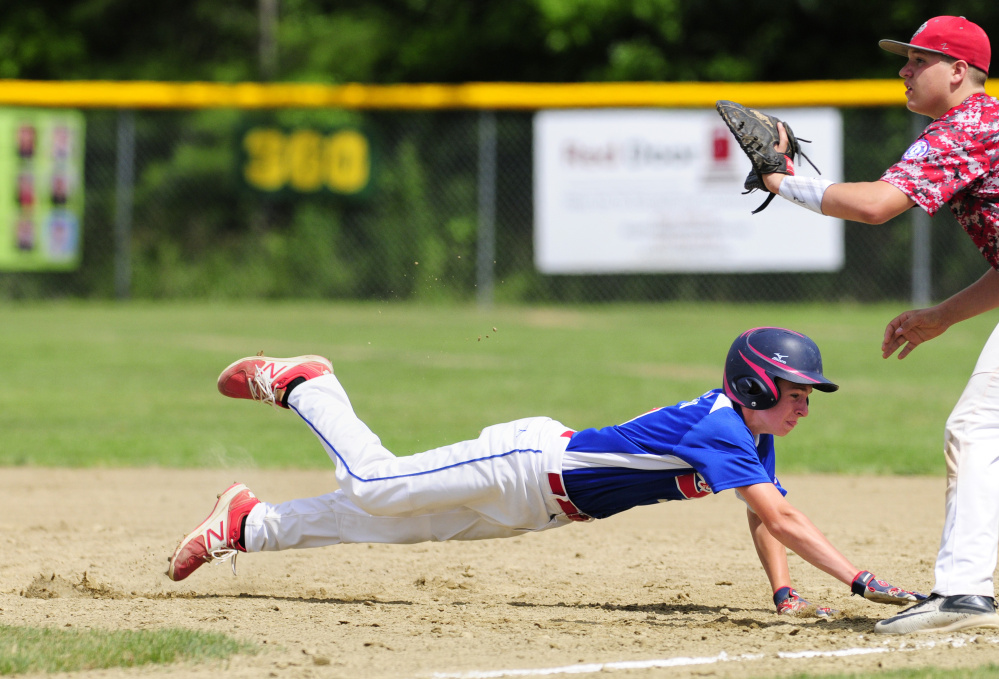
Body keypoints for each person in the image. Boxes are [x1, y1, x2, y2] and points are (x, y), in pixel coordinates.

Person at [167, 327, 923, 619]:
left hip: (544, 508)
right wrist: (857, 579)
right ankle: (304, 383)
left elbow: (766, 513)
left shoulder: (746, 440)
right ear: (757, 386)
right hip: (529, 463)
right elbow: (783, 516)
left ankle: (247, 524)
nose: (804, 406)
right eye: (795, 393)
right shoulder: (719, 425)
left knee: (383, 522)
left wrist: (784, 591)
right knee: (376, 485)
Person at [758, 16, 999, 634]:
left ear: (960, 72)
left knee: (977, 430)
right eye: (906, 60)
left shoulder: (967, 126)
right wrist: (940, 317)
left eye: (919, 60)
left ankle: (965, 593)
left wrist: (781, 181)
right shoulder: (983, 126)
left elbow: (873, 207)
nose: (904, 71)